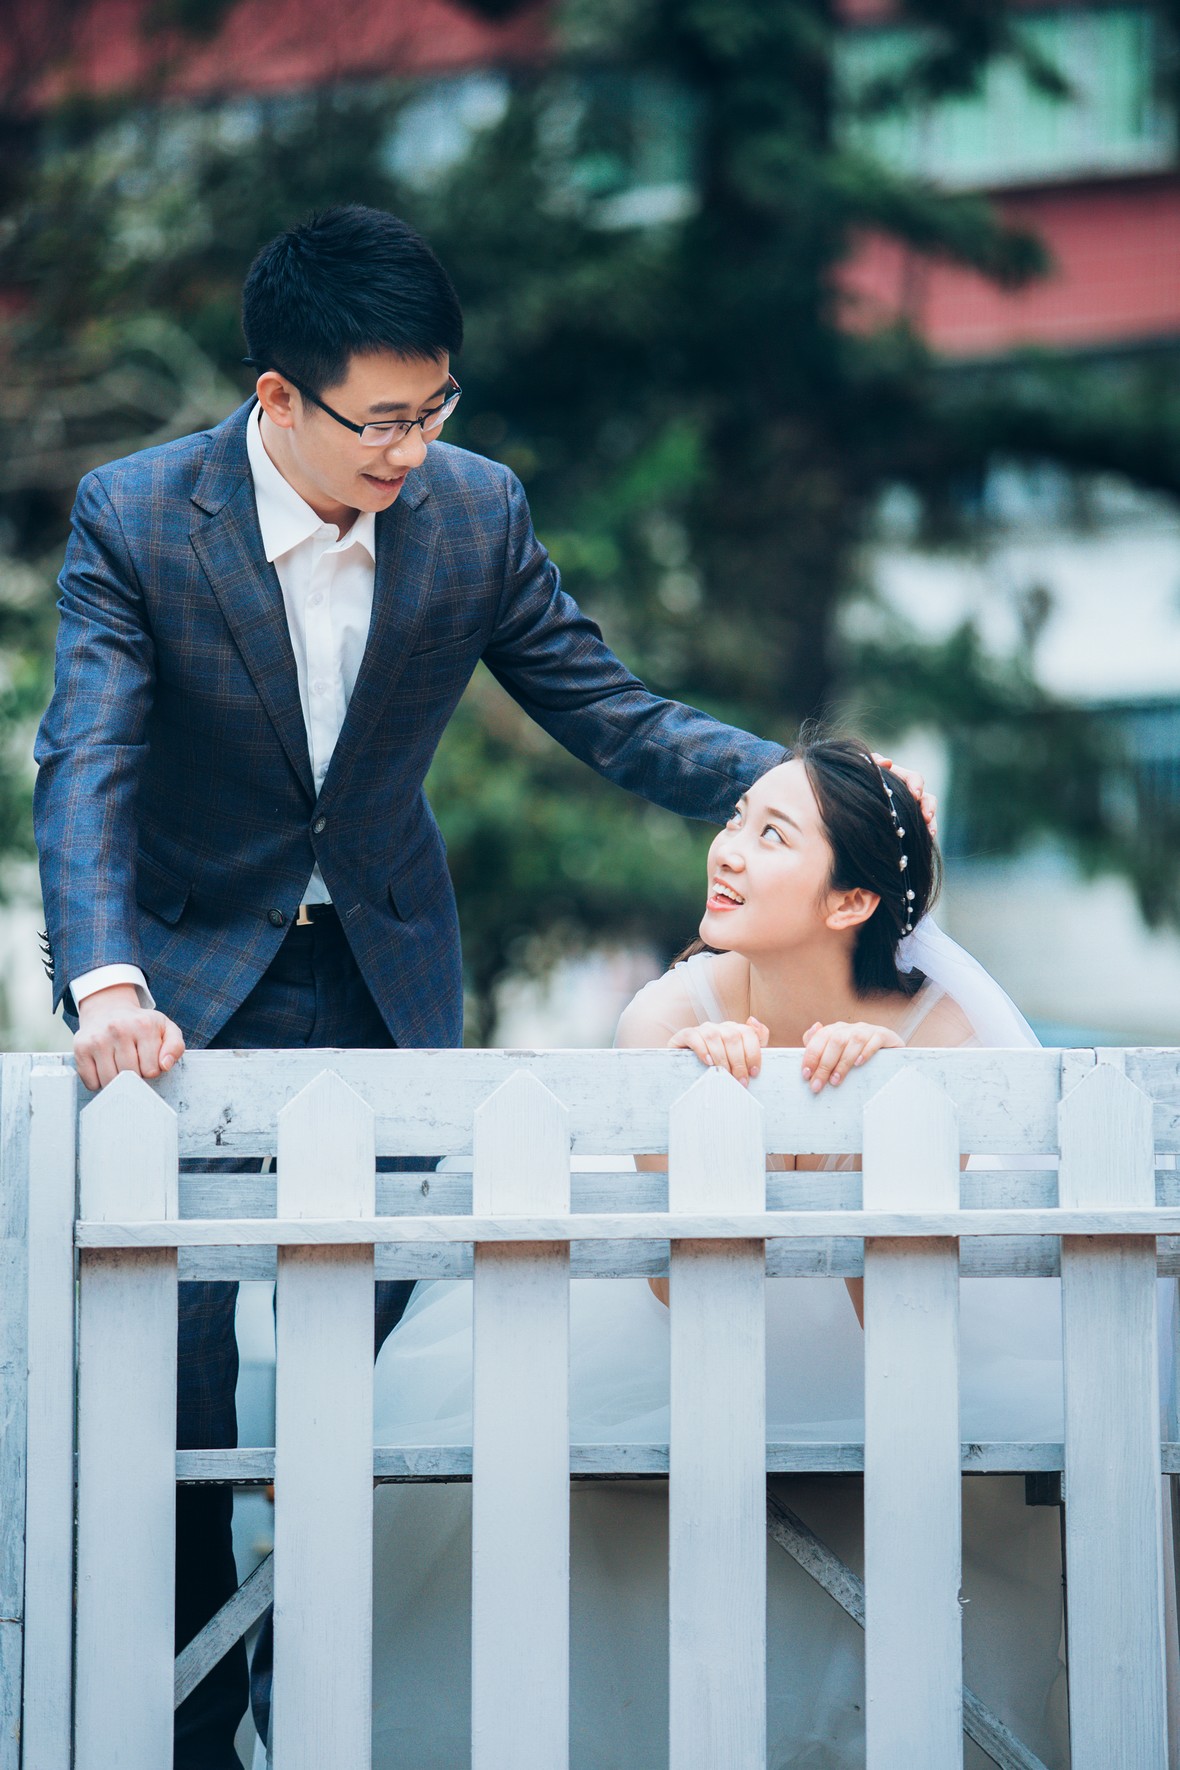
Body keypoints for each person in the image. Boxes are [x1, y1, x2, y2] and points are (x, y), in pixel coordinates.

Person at [33, 203, 934, 1767]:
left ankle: (344, 1712)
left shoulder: (472, 511)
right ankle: (194, 1737)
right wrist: (106, 980)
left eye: (435, 408)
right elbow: (87, 758)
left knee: (373, 1397)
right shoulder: (138, 515)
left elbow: (611, 713)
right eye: (380, 419)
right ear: (277, 398)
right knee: (176, 1396)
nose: (412, 448)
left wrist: (821, 791)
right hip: (181, 994)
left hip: (388, 976)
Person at [362, 738, 1084, 1769]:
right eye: (736, 819)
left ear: (850, 902)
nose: (729, 850)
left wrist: (873, 1122)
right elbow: (672, 1289)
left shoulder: (938, 1033)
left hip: (878, 1361)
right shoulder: (668, 1014)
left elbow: (894, 1313)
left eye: (773, 835)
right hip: (671, 1344)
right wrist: (711, 1112)